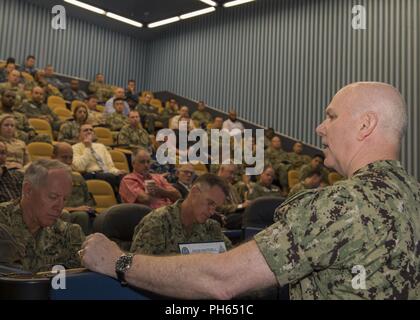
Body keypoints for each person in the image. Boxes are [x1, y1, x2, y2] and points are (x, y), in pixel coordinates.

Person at [81, 82, 419, 300]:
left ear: (365, 125)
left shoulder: (338, 205)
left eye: (330, 116)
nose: (319, 127)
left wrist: (118, 261)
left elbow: (221, 279)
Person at [0, 159, 85, 272]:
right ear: (28, 190)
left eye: (64, 199)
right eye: (53, 197)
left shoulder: (69, 234)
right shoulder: (3, 223)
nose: (59, 206)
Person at [130, 173, 232, 255]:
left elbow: (231, 257)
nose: (212, 211)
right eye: (210, 203)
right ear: (195, 192)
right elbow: (135, 268)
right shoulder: (158, 222)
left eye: (215, 207)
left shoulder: (211, 227)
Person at [52, 142, 96, 235]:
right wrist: (75, 209)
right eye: (64, 157)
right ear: (53, 157)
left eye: (71, 157)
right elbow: (48, 206)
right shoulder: (48, 178)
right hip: (62, 215)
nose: (68, 161)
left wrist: (89, 208)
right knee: (81, 216)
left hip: (82, 214)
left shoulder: (78, 177)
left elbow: (88, 200)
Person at [72, 124, 126, 191]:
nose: (89, 132)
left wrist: (117, 172)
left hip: (105, 174)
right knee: (112, 178)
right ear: (79, 135)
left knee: (125, 177)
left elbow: (110, 167)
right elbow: (80, 167)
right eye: (85, 130)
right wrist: (87, 148)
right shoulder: (74, 148)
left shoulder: (101, 146)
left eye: (91, 130)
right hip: (89, 174)